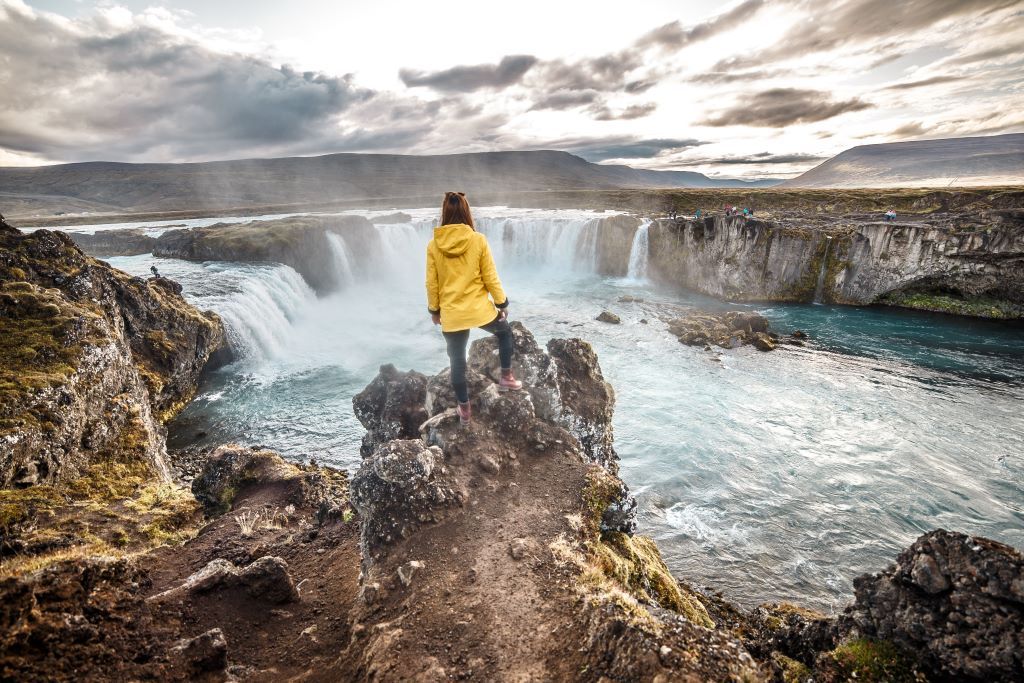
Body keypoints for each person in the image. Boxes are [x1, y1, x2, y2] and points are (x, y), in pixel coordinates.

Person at [426, 192, 522, 425]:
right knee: (505, 332)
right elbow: (490, 276)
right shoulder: (478, 240)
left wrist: (434, 311)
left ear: (444, 214)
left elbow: (432, 282)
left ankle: (464, 410)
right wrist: (502, 303)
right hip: (479, 310)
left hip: (451, 313)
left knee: (457, 362)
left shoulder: (434, 245)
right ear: (467, 212)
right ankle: (507, 377)